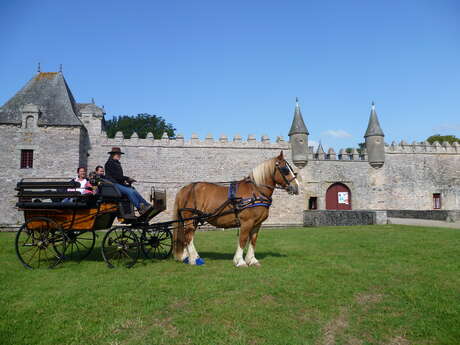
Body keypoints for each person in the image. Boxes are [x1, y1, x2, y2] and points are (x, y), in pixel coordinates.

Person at [104, 147, 153, 215]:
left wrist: (126, 181)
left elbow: (119, 177)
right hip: (113, 184)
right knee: (130, 191)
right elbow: (116, 176)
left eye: (119, 154)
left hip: (118, 183)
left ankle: (146, 205)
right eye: (117, 154)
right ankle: (140, 208)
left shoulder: (117, 163)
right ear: (113, 155)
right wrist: (127, 178)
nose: (119, 156)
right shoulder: (109, 163)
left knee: (133, 190)